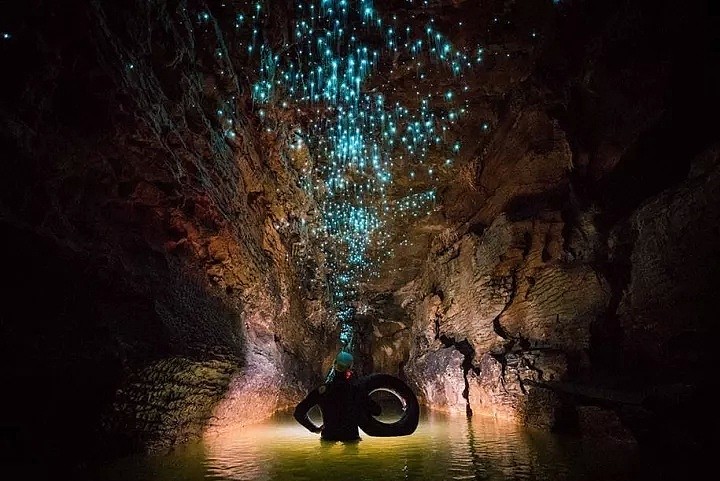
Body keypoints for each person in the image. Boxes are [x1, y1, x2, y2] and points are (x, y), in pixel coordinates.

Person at [294, 351, 381, 441]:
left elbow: (298, 413)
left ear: (334, 365)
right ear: (350, 369)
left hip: (328, 437)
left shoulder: (322, 391)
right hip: (350, 438)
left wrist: (314, 429)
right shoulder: (356, 390)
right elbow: (377, 411)